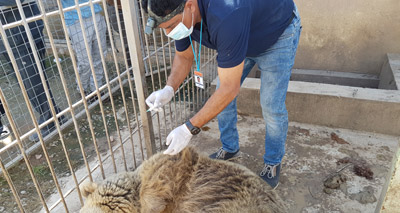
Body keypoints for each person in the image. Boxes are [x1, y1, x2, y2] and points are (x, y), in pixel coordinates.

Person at [144, 0, 302, 189]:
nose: (169, 33)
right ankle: (230, 148)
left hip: (276, 33)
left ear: (190, 6)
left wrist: (189, 128)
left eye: (170, 26)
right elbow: (184, 56)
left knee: (271, 105)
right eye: (164, 28)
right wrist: (169, 89)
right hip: (238, 36)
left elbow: (229, 88)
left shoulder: (227, 11)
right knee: (222, 100)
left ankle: (273, 162)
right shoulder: (179, 12)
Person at [0, 0, 66, 142]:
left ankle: (50, 120)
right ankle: (55, 115)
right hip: (10, 34)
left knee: (32, 82)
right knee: (28, 81)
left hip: (20, 31)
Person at [61, 0, 107, 95]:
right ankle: (82, 89)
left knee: (100, 55)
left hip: (96, 13)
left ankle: (97, 89)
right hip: (75, 19)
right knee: (85, 61)